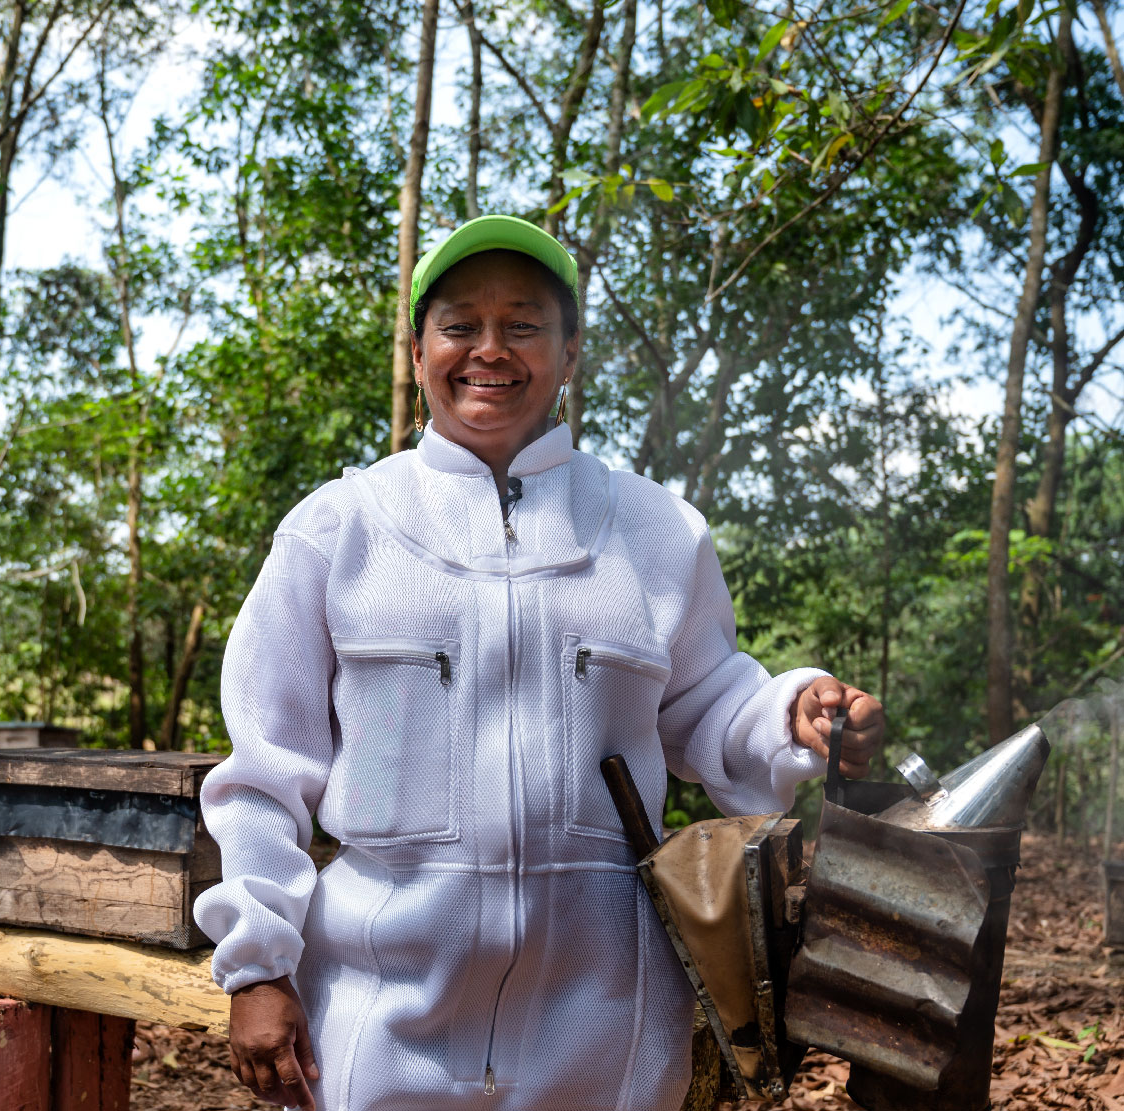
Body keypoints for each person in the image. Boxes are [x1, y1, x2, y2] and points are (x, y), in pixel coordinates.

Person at [192, 214, 884, 1111]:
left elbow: (710, 705)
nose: (490, 350)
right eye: (459, 325)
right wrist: (257, 965)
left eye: (523, 324)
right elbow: (261, 777)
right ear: (416, 350)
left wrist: (790, 713)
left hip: (605, 1021)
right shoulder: (338, 529)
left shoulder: (654, 531)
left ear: (568, 354)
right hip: (374, 1010)